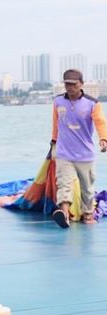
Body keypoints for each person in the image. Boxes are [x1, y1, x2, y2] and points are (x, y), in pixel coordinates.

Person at [51, 69, 107, 228]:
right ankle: (64, 214)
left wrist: (104, 139)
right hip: (64, 153)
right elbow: (55, 124)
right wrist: (53, 143)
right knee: (64, 184)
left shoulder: (92, 103)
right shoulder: (58, 102)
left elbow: (100, 122)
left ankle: (88, 214)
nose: (70, 87)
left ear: (81, 84)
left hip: (85, 154)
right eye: (67, 84)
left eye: (73, 84)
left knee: (87, 188)